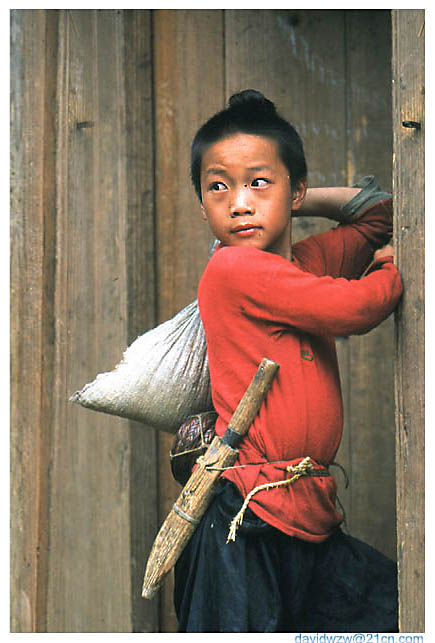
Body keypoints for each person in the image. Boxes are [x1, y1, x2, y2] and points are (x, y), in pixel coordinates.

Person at [173, 89, 403, 633]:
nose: (239, 203)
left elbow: (382, 214)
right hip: (248, 520)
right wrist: (392, 272)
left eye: (258, 183)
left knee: (392, 610)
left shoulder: (307, 260)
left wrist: (298, 191)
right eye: (217, 187)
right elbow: (352, 308)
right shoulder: (232, 271)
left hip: (309, 511)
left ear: (293, 190)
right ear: (202, 202)